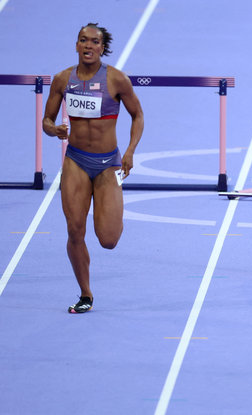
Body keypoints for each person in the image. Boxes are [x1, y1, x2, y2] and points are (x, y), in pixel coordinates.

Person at [43, 23, 144, 313]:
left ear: (102, 48)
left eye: (94, 42)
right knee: (75, 231)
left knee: (108, 240)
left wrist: (130, 150)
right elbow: (46, 120)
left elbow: (137, 115)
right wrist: (54, 130)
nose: (88, 46)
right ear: (76, 45)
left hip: (107, 164)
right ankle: (86, 294)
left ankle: (109, 208)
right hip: (75, 161)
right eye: (83, 40)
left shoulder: (116, 80)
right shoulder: (63, 80)